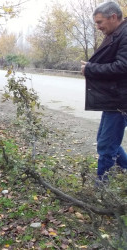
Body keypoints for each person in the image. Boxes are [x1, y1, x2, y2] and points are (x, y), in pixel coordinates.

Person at [81, 1, 127, 184]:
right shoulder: (118, 33)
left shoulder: (125, 35)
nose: (98, 27)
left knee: (107, 145)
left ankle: (103, 187)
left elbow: (123, 66)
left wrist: (91, 69)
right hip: (115, 99)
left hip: (121, 101)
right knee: (104, 140)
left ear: (113, 17)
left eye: (100, 22)